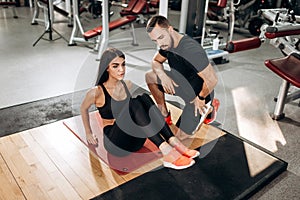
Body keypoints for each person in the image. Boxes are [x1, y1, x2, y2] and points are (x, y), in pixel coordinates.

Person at [80, 47, 200, 170]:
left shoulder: (127, 84)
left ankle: (174, 141)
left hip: (136, 142)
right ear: (107, 68)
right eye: (115, 66)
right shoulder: (97, 92)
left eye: (123, 65)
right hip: (116, 143)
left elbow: (139, 114)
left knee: (144, 98)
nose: (121, 70)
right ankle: (168, 152)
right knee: (133, 103)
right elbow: (83, 109)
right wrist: (88, 133)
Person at [145, 15, 220, 139]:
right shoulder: (167, 44)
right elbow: (155, 61)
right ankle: (164, 115)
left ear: (170, 29)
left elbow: (212, 79)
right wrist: (163, 76)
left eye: (161, 38)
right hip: (180, 84)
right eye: (155, 41)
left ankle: (209, 108)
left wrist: (201, 98)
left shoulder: (191, 50)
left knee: (178, 137)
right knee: (150, 77)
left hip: (198, 95)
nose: (160, 44)